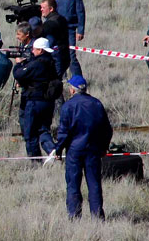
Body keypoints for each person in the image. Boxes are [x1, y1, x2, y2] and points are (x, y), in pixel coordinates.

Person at [53, 75, 112, 219]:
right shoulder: (96, 104)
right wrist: (104, 147)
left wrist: (58, 149)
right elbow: (107, 129)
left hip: (74, 151)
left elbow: (64, 132)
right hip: (93, 150)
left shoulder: (68, 106)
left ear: (72, 90)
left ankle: (74, 217)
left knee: (73, 185)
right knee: (94, 184)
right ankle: (97, 217)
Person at [12, 37, 59, 157]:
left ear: (41, 50)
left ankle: (35, 160)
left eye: (35, 49)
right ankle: (51, 149)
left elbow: (19, 74)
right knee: (43, 128)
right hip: (48, 102)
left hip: (34, 101)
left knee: (30, 133)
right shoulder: (51, 62)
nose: (32, 51)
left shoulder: (37, 64)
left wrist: (18, 64)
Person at [47, 0, 86, 77]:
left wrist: (81, 30)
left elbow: (80, 12)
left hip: (69, 30)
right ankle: (59, 79)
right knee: (55, 55)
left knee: (71, 56)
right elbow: (46, 12)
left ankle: (78, 82)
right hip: (54, 31)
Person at [39, 0, 70, 78]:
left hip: (57, 58)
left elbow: (39, 35)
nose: (41, 10)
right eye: (40, 7)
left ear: (51, 9)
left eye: (43, 8)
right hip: (64, 56)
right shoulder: (61, 18)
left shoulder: (50, 23)